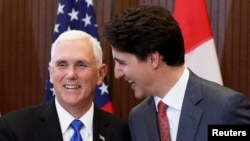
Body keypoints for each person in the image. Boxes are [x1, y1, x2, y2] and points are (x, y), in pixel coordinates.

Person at [102, 5, 250, 141]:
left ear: (153, 59)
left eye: (122, 63)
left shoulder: (224, 108)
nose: (117, 73)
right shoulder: (138, 117)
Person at [0, 30, 131, 141]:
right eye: (62, 64)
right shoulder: (14, 129)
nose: (71, 74)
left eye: (81, 65)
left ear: (100, 74)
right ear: (51, 72)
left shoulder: (123, 133)